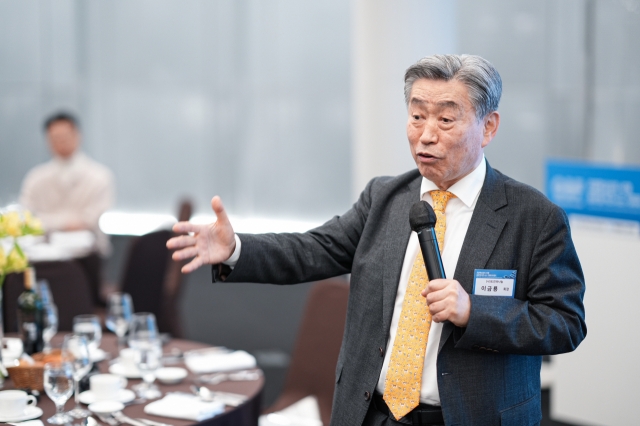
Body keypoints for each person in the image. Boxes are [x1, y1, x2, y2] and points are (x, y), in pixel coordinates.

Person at [167, 54, 586, 426]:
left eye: (445, 119)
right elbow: (314, 249)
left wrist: (474, 310)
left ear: (488, 126)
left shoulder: (533, 217)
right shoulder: (385, 197)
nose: (425, 134)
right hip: (373, 412)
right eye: (417, 116)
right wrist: (236, 248)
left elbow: (565, 323)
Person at [20, 112, 115, 306]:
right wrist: (68, 221)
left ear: (77, 135)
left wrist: (46, 221)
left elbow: (87, 222)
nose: (60, 142)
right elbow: (26, 219)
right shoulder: (36, 178)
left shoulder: (100, 176)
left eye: (65, 136)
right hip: (41, 260)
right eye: (54, 138)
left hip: (85, 262)